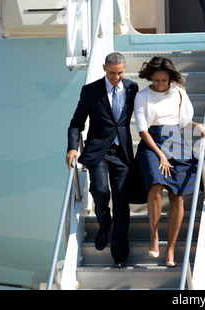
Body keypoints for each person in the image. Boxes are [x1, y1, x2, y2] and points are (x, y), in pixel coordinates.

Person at [133, 56, 205, 267]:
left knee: (178, 197)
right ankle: (154, 236)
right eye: (156, 80)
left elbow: (183, 122)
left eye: (164, 80)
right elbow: (142, 131)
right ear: (150, 77)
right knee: (157, 184)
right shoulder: (142, 96)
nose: (160, 84)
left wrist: (198, 126)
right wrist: (161, 155)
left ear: (170, 78)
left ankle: (171, 249)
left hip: (176, 141)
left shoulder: (179, 93)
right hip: (152, 144)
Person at [66, 52, 139, 268]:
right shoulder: (91, 91)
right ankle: (104, 223)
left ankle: (119, 254)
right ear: (104, 68)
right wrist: (72, 148)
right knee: (99, 191)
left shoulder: (132, 88)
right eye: (112, 73)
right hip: (98, 152)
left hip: (122, 154)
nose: (117, 77)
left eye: (120, 73)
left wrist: (175, 90)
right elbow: (76, 123)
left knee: (122, 201)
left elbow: (151, 99)